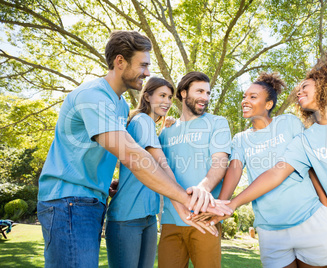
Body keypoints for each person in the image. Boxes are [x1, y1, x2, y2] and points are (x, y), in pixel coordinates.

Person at [36, 31, 216, 268]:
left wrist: (111, 182)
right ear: (120, 62)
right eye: (143, 64)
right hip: (68, 199)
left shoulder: (120, 105)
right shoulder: (93, 96)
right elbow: (133, 156)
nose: (148, 72)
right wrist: (183, 200)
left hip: (92, 200)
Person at [208, 57, 327, 268]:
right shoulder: (307, 138)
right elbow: (276, 172)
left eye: (304, 87)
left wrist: (324, 208)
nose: (298, 93)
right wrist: (228, 204)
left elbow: (311, 173)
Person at [196, 72, 327, 268]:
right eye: (244, 96)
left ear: (269, 104)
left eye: (253, 97)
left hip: (310, 219)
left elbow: (310, 167)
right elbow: (234, 170)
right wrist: (221, 205)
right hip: (270, 229)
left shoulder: (288, 122)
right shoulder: (240, 138)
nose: (245, 101)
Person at [105, 77, 221, 268]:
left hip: (148, 218)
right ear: (148, 97)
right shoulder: (142, 121)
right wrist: (182, 205)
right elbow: (163, 166)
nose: (167, 102)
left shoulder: (156, 129)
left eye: (169, 97)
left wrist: (173, 126)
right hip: (127, 216)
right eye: (161, 96)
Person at [157, 71, 232, 268]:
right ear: (183, 93)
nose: (205, 98)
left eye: (208, 93)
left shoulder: (217, 122)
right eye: (200, 91)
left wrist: (203, 189)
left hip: (205, 218)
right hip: (171, 219)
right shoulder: (166, 132)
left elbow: (220, 162)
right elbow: (162, 174)